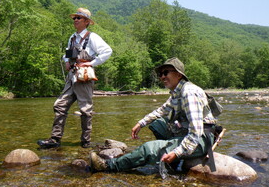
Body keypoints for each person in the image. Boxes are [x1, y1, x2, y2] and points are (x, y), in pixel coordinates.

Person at [90, 57, 218, 172]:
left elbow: (195, 132)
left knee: (148, 148)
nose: (162, 77)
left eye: (166, 72)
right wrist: (141, 123)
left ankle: (108, 166)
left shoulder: (189, 93)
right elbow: (161, 111)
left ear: (179, 75)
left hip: (201, 140)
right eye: (160, 74)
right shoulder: (177, 92)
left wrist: (177, 152)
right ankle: (167, 156)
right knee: (157, 124)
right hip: (190, 133)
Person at [38, 8, 112, 149]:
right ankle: (55, 139)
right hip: (71, 77)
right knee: (59, 106)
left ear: (86, 22)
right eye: (74, 18)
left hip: (84, 78)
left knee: (85, 110)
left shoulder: (92, 37)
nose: (75, 20)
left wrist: (92, 63)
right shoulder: (72, 37)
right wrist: (66, 60)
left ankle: (86, 142)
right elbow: (66, 53)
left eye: (79, 18)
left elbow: (107, 51)